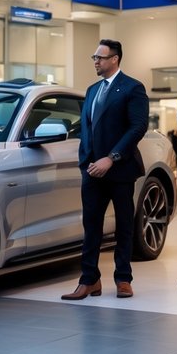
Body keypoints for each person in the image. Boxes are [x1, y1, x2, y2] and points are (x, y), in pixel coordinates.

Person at [62, 39, 149, 301]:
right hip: (92, 171)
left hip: (120, 169)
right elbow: (87, 129)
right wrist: (85, 162)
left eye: (100, 57)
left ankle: (123, 279)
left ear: (115, 59)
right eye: (94, 57)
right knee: (91, 227)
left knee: (124, 225)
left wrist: (111, 158)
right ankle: (89, 280)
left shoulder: (133, 87)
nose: (96, 61)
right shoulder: (92, 90)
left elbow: (137, 127)